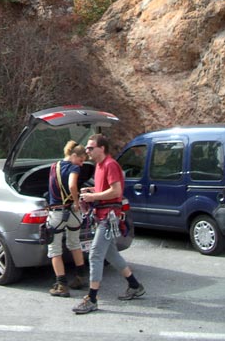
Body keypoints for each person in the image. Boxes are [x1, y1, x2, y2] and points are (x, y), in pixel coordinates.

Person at [72, 133, 145, 314]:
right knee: (111, 254)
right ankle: (135, 286)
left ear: (101, 148)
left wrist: (93, 196)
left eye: (90, 148)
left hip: (108, 218)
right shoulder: (99, 166)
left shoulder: (111, 165)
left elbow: (116, 191)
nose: (87, 151)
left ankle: (92, 298)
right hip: (103, 217)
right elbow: (105, 190)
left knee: (95, 254)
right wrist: (92, 191)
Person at [47, 140, 88, 297]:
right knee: (74, 244)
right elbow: (72, 186)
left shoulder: (53, 167)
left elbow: (51, 188)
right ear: (73, 155)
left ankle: (61, 285)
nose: (82, 164)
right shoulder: (74, 167)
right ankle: (80, 277)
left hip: (57, 212)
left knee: (54, 249)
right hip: (73, 212)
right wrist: (77, 203)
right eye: (81, 160)